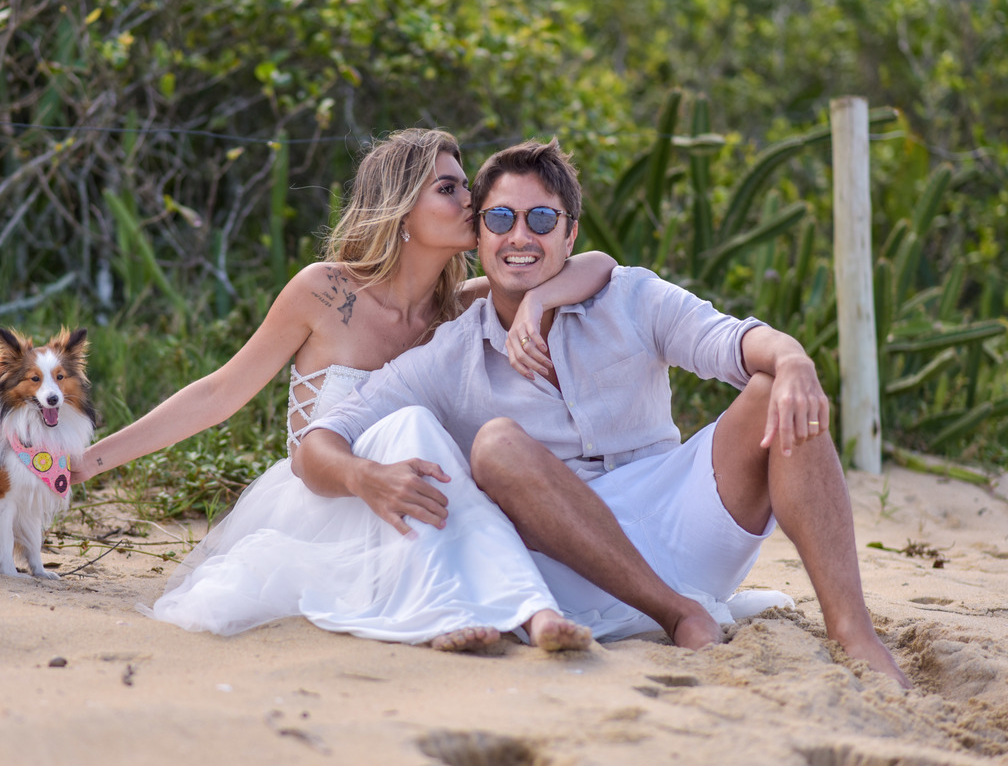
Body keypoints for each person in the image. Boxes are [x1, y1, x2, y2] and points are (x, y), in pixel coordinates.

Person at [295, 139, 911, 688]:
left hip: (685, 517)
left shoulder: (632, 296)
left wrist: (796, 360)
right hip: (577, 559)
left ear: (570, 233)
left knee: (771, 388)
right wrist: (362, 477)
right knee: (497, 445)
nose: (520, 237)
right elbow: (324, 437)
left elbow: (733, 342)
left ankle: (853, 632)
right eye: (501, 219)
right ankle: (676, 613)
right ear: (479, 234)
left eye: (541, 219)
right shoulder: (449, 354)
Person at [72, 129, 611, 652]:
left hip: (415, 509)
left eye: (465, 185)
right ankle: (442, 610)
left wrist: (538, 304)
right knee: (412, 428)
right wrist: (86, 463)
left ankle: (473, 606)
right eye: (448, 189)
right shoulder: (325, 290)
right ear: (400, 209)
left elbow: (598, 265)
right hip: (325, 502)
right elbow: (219, 394)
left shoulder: (463, 307)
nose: (471, 200)